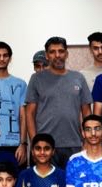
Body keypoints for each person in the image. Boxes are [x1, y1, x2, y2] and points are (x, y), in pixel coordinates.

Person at [25, 36, 92, 167]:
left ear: (66, 54)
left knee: (73, 180)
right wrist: (35, 143)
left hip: (74, 144)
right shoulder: (36, 79)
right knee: (46, 181)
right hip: (45, 146)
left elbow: (87, 113)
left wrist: (87, 141)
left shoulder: (78, 78)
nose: (57, 55)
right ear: (47, 55)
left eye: (61, 51)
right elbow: (29, 114)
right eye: (52, 52)